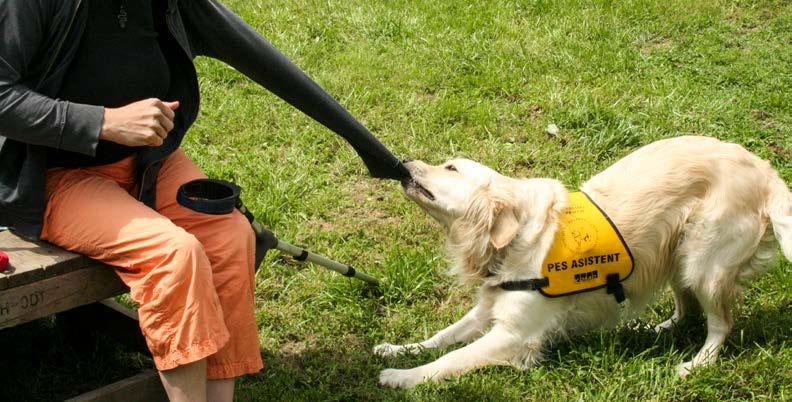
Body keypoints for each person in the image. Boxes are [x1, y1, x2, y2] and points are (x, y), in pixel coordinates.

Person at [0, 0, 355, 400]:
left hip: (151, 161)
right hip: (56, 176)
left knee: (229, 235)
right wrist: (104, 122)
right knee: (174, 254)